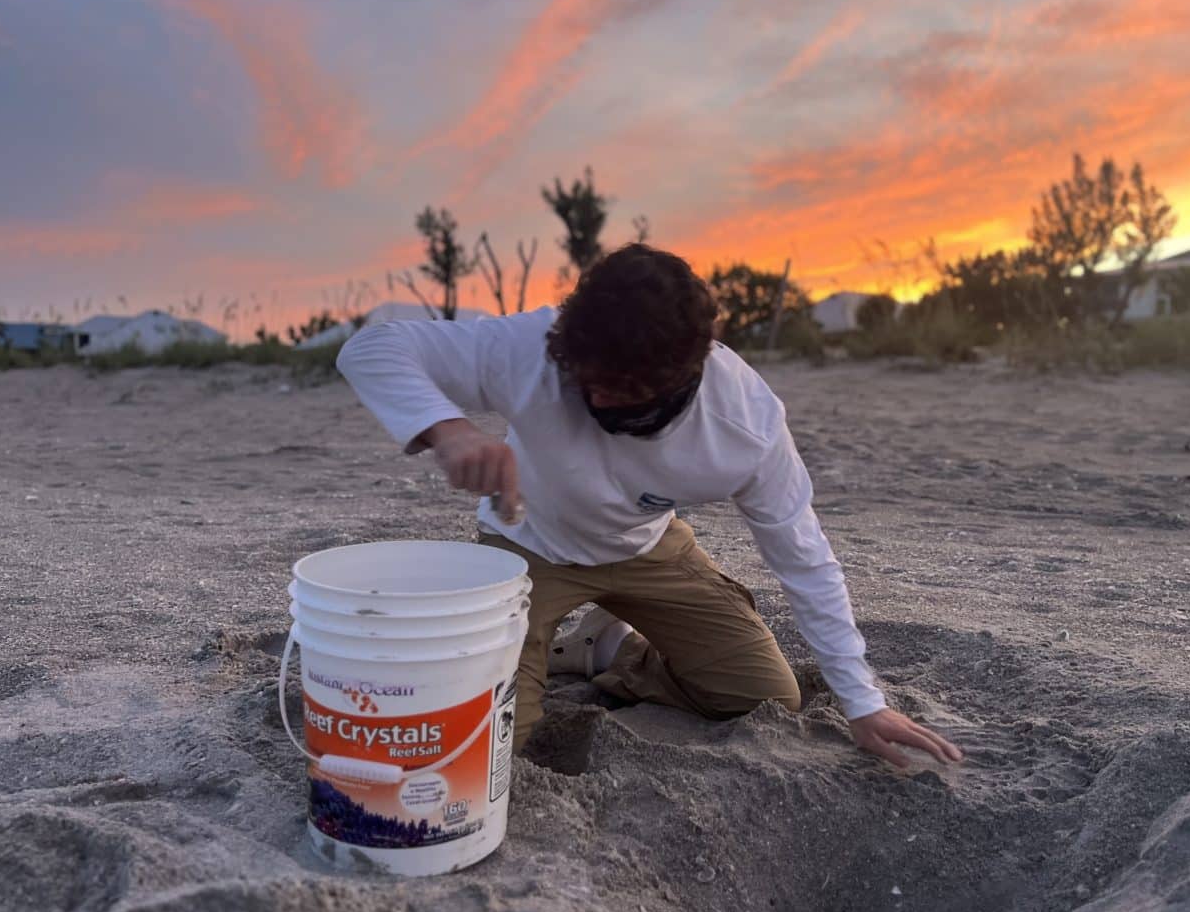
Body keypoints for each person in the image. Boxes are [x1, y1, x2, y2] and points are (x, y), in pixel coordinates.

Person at [336, 243, 963, 770]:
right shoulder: (531, 347)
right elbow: (372, 349)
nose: (598, 396)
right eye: (587, 377)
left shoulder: (746, 425)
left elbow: (805, 559)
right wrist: (451, 430)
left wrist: (862, 702)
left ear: (689, 370)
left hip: (647, 550)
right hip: (528, 544)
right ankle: (539, 645)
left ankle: (609, 651)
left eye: (622, 388)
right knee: (504, 749)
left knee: (766, 697)